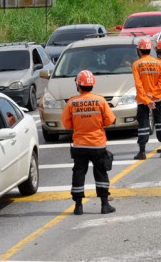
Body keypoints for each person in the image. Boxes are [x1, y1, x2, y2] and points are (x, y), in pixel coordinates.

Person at [62, 70, 116, 215]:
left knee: (79, 173)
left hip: (79, 145)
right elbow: (110, 120)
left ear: (78, 85)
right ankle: (105, 205)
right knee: (101, 173)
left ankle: (78, 206)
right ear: (92, 85)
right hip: (98, 144)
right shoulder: (100, 100)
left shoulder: (72, 102)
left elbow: (67, 125)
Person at [132, 38, 161, 159]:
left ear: (139, 50)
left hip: (143, 100)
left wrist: (147, 99)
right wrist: (153, 95)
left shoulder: (136, 64)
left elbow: (139, 85)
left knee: (143, 125)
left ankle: (142, 152)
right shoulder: (159, 63)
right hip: (157, 99)